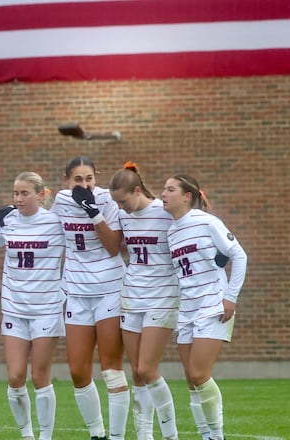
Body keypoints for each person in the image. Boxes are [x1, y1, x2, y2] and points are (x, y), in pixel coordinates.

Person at [161, 175, 247, 440]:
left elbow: (239, 255)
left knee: (199, 374)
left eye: (170, 189)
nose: (163, 193)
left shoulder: (206, 221)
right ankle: (205, 435)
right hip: (187, 309)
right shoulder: (171, 231)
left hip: (212, 304)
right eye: (164, 189)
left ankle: (217, 435)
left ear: (187, 196)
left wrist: (230, 296)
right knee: (191, 379)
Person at [51, 156, 129, 440]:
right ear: (66, 180)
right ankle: (97, 433)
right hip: (75, 290)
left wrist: (93, 213)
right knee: (77, 370)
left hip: (109, 287)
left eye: (89, 179)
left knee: (110, 368)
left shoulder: (107, 200)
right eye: (78, 180)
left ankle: (117, 435)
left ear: (96, 177)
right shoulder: (60, 200)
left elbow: (113, 248)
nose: (84, 185)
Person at [0, 172, 65, 440]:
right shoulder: (8, 220)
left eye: (25, 193)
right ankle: (27, 434)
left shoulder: (55, 222)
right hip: (14, 308)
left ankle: (45, 435)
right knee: (16, 376)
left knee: (40, 376)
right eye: (15, 193)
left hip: (47, 307)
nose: (18, 199)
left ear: (42, 195)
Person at [109, 163, 180, 440]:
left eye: (124, 200)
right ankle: (144, 435)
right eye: (116, 202)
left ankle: (170, 434)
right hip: (131, 297)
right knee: (136, 373)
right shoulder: (123, 216)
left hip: (162, 297)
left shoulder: (164, 214)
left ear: (137, 190)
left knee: (146, 369)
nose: (121, 207)